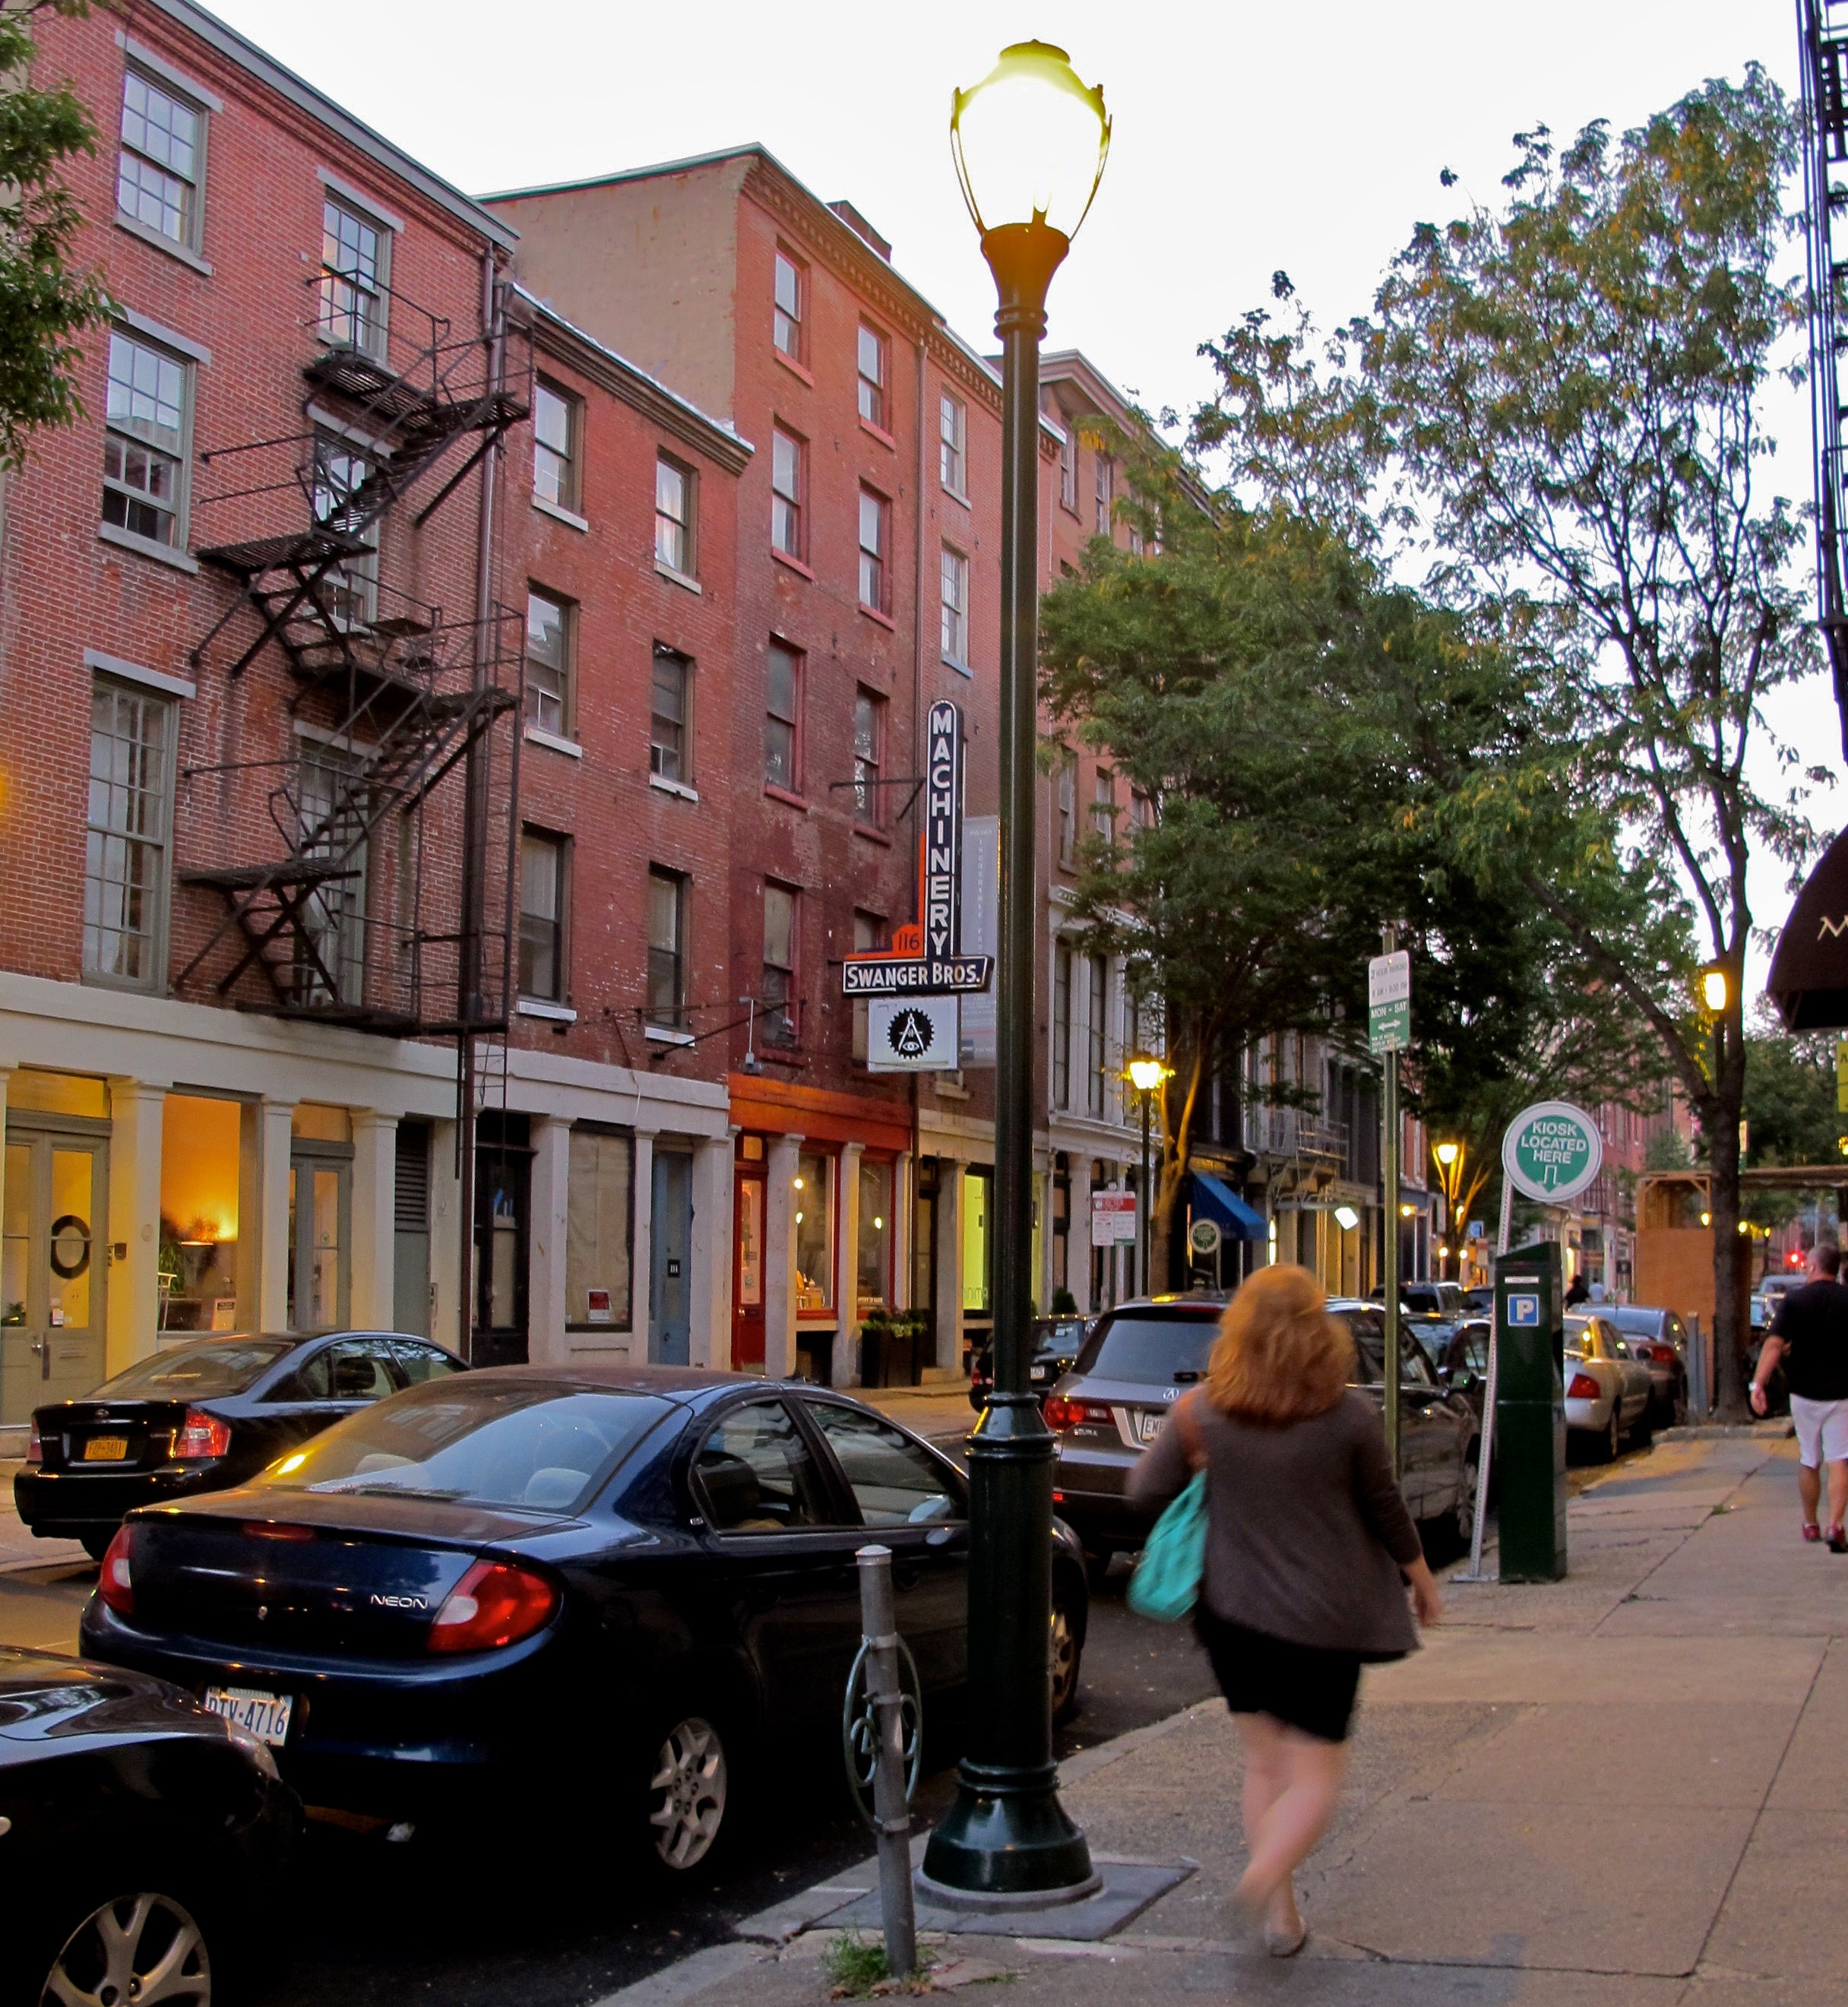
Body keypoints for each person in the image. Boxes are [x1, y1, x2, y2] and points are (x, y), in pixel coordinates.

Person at [1127, 1265, 1441, 1957]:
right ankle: (1263, 1875)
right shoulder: (1348, 1416)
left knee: (1263, 1765)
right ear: (1316, 1331)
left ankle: (1281, 1916)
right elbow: (1386, 1506)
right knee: (1316, 1773)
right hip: (1327, 1622)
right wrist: (1419, 1575)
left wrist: (1209, 1471)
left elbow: (1142, 1490)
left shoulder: (1201, 1413)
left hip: (1232, 1617)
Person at [1751, 1240, 1848, 1551]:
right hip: (1842, 1394)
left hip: (1804, 1394)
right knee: (1839, 1461)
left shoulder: (1795, 1302)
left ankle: (1810, 1524)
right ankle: (1836, 1525)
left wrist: (1759, 1385)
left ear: (1812, 1267)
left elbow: (1774, 1345)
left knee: (1810, 1459)